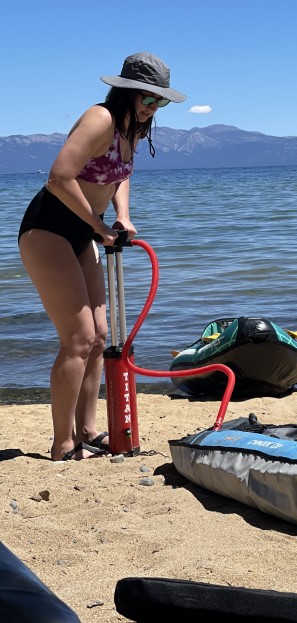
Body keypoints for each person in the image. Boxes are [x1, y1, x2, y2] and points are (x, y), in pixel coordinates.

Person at [18, 52, 186, 461]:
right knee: (77, 339)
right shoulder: (101, 118)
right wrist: (99, 225)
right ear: (126, 91)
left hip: (86, 231)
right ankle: (62, 444)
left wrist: (122, 216)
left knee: (98, 338)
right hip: (47, 230)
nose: (151, 107)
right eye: (146, 97)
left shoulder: (133, 129)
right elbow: (59, 177)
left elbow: (119, 175)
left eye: (159, 101)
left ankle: (89, 430)